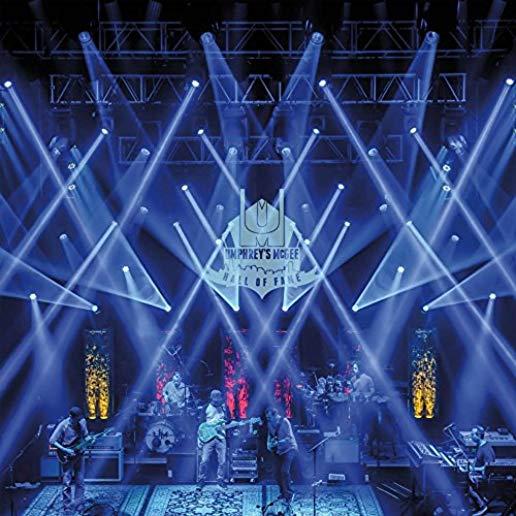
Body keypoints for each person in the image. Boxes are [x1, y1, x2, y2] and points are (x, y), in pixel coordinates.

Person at [49, 406, 90, 515]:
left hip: (79, 454)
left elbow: (86, 435)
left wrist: (89, 439)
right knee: (67, 482)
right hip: (67, 455)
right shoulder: (63, 425)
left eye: (80, 419)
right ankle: (67, 507)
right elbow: (52, 440)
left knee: (80, 481)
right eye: (76, 419)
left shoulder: (82, 422)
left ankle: (79, 504)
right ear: (71, 417)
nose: (78, 421)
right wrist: (65, 450)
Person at [265, 406, 298, 505]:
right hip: (278, 450)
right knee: (276, 473)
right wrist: (269, 444)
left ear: (275, 415)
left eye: (269, 417)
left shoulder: (285, 422)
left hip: (289, 449)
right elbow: (270, 436)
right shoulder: (269, 423)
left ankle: (289, 493)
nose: (268, 419)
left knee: (284, 471)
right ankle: (283, 493)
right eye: (267, 418)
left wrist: (278, 442)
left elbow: (289, 438)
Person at [197, 390, 227, 488]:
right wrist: (200, 439)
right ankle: (201, 479)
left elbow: (228, 420)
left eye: (219, 399)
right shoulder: (206, 407)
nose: (217, 401)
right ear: (211, 398)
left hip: (221, 437)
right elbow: (201, 425)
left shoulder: (224, 408)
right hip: (208, 438)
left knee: (222, 461)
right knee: (204, 460)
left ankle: (220, 479)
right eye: (215, 399)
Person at [469, 426, 496, 516]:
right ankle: (477, 503)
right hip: (477, 472)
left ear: (478, 435)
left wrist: (474, 469)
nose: (471, 436)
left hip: (483, 475)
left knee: (468, 484)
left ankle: (482, 506)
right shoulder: (480, 445)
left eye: (472, 434)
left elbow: (489, 466)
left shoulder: (486, 448)